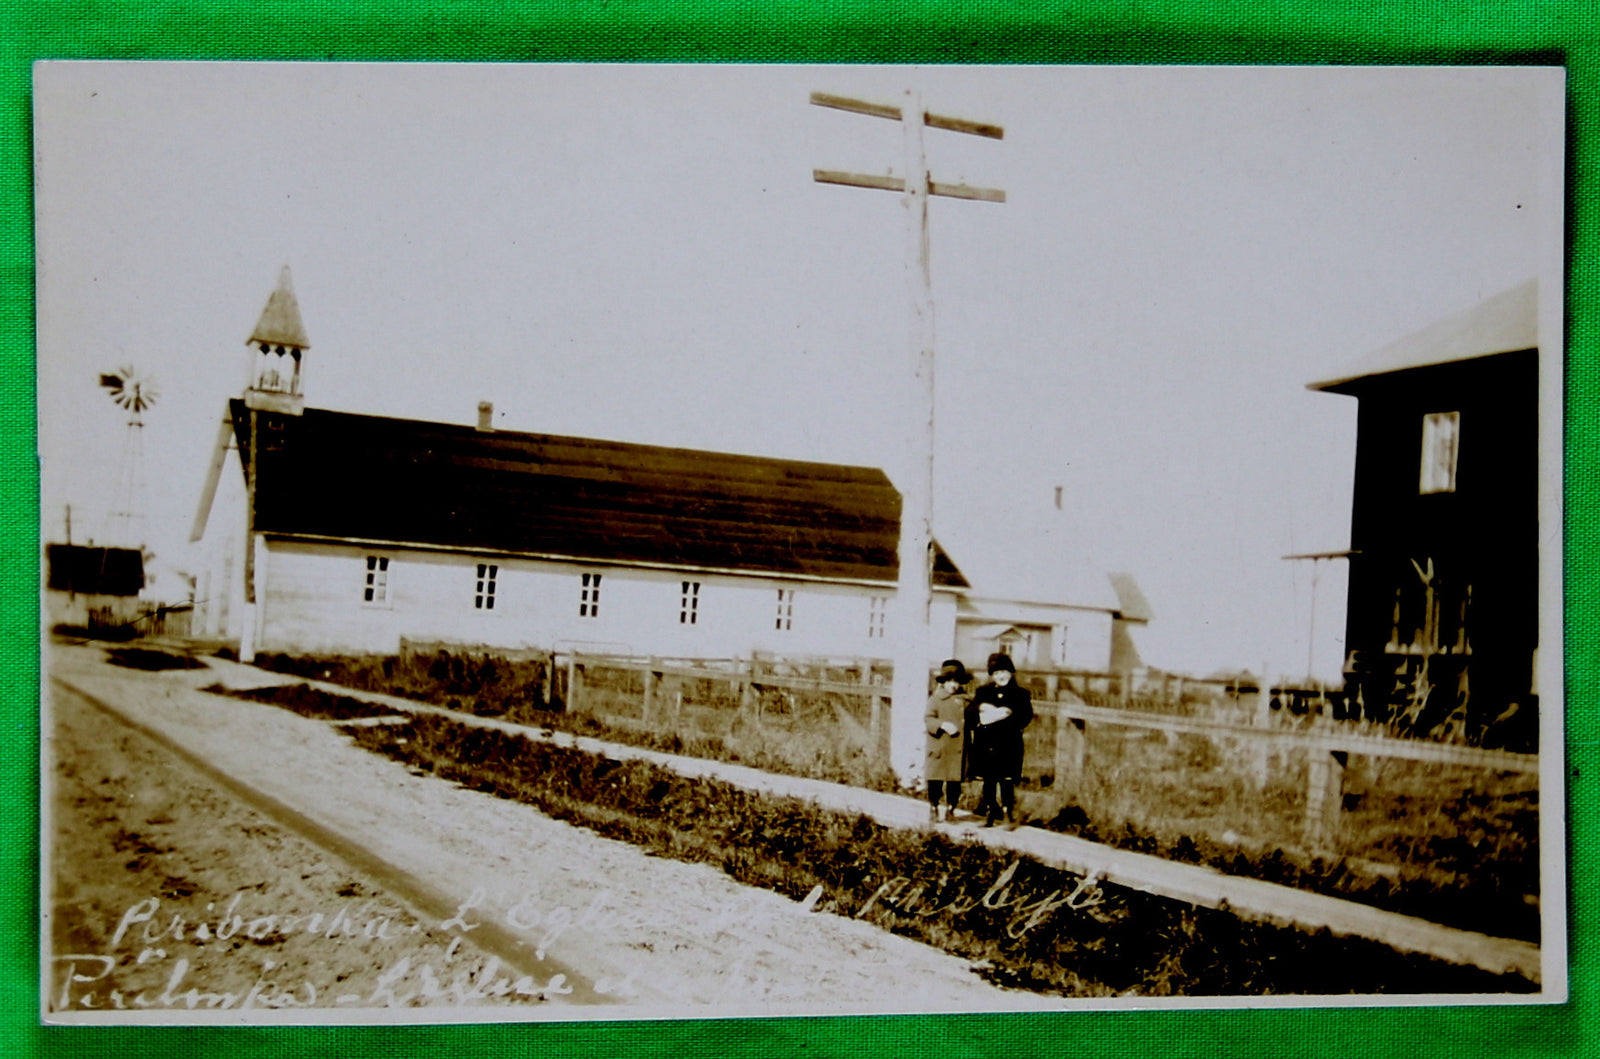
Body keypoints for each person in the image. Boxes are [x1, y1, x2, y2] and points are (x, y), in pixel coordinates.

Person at [966, 652, 1033, 828]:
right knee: (989, 779)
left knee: (1007, 779)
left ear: (1011, 672)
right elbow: (970, 714)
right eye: (996, 673)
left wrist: (1006, 715)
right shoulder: (984, 692)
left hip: (1009, 744)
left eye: (1003, 672)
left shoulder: (1020, 694)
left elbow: (1025, 717)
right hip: (986, 743)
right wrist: (981, 708)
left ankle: (1007, 814)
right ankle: (989, 813)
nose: (1000, 676)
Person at [924, 658, 971, 823]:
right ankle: (934, 807)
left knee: (954, 782)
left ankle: (951, 809)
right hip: (939, 747)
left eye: (957, 681)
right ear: (943, 681)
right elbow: (928, 719)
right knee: (935, 781)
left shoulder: (964, 701)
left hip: (956, 750)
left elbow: (972, 718)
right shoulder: (936, 699)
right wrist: (942, 724)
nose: (953, 685)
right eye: (950, 681)